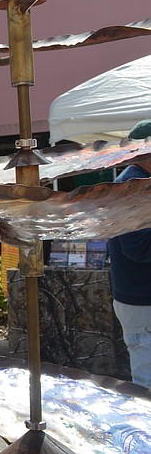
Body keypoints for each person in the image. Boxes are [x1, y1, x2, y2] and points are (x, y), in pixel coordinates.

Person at [108, 119, 151, 389]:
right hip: (141, 304)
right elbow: (138, 248)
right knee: (147, 387)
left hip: (140, 300)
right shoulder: (130, 187)